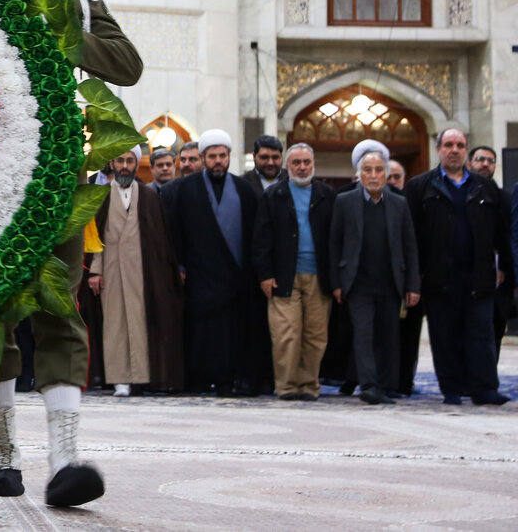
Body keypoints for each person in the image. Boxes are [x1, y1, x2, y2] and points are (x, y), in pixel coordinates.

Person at [0, 0, 142, 508]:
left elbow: (126, 63)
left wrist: (61, 34)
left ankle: (65, 458)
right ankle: (3, 454)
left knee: (58, 311)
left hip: (56, 172)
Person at [405, 129, 512, 405]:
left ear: (466, 150)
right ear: (439, 149)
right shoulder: (420, 187)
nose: (454, 150)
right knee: (445, 335)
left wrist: (503, 266)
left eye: (460, 145)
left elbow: (500, 232)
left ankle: (484, 389)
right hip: (438, 276)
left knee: (481, 334)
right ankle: (451, 389)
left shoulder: (485, 187)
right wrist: (414, 276)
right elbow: (411, 236)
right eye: (449, 145)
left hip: (478, 274)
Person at [164, 129, 270, 396]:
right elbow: (175, 232)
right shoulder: (185, 190)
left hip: (235, 277)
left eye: (222, 156)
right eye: (212, 156)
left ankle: (227, 379)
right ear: (203, 158)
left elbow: (254, 235)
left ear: (229, 156)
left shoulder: (244, 190)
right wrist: (180, 266)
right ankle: (199, 379)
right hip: (199, 274)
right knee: (201, 332)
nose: (218, 161)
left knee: (232, 334)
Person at [84, 147, 183, 396]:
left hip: (142, 271)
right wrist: (95, 271)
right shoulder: (102, 196)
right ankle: (119, 379)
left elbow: (160, 240)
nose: (125, 166)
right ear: (112, 164)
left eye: (130, 161)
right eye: (120, 161)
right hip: (111, 269)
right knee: (114, 324)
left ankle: (141, 377)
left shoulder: (149, 197)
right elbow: (96, 237)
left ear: (137, 164)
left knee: (140, 322)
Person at [329, 146, 420, 404]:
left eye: (379, 170)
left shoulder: (399, 204)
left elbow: (409, 246)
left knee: (388, 336)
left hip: (391, 282)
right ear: (359, 174)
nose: (373, 175)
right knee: (363, 334)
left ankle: (386, 385)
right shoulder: (345, 201)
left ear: (386, 174)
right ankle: (368, 385)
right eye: (367, 170)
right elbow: (334, 244)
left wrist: (412, 284)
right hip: (358, 283)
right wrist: (336, 282)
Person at [250, 143, 335, 401]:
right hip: (283, 276)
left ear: (313, 165)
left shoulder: (327, 195)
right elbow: (261, 240)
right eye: (296, 162)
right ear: (288, 166)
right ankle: (286, 386)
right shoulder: (273, 195)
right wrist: (265, 274)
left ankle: (308, 385)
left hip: (319, 277)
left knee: (315, 335)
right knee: (286, 334)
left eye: (306, 162)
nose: (302, 167)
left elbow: (336, 238)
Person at [466, 145, 514, 356]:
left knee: (494, 334)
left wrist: (503, 266)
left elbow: (509, 237)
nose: (485, 164)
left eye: (490, 161)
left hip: (497, 281)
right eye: (480, 159)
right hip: (463, 278)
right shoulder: (458, 195)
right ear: (469, 164)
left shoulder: (505, 198)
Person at [244, 134, 286, 200]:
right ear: (254, 156)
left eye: (275, 157)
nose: (270, 163)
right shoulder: (242, 183)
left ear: (281, 157)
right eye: (264, 157)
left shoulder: (292, 181)